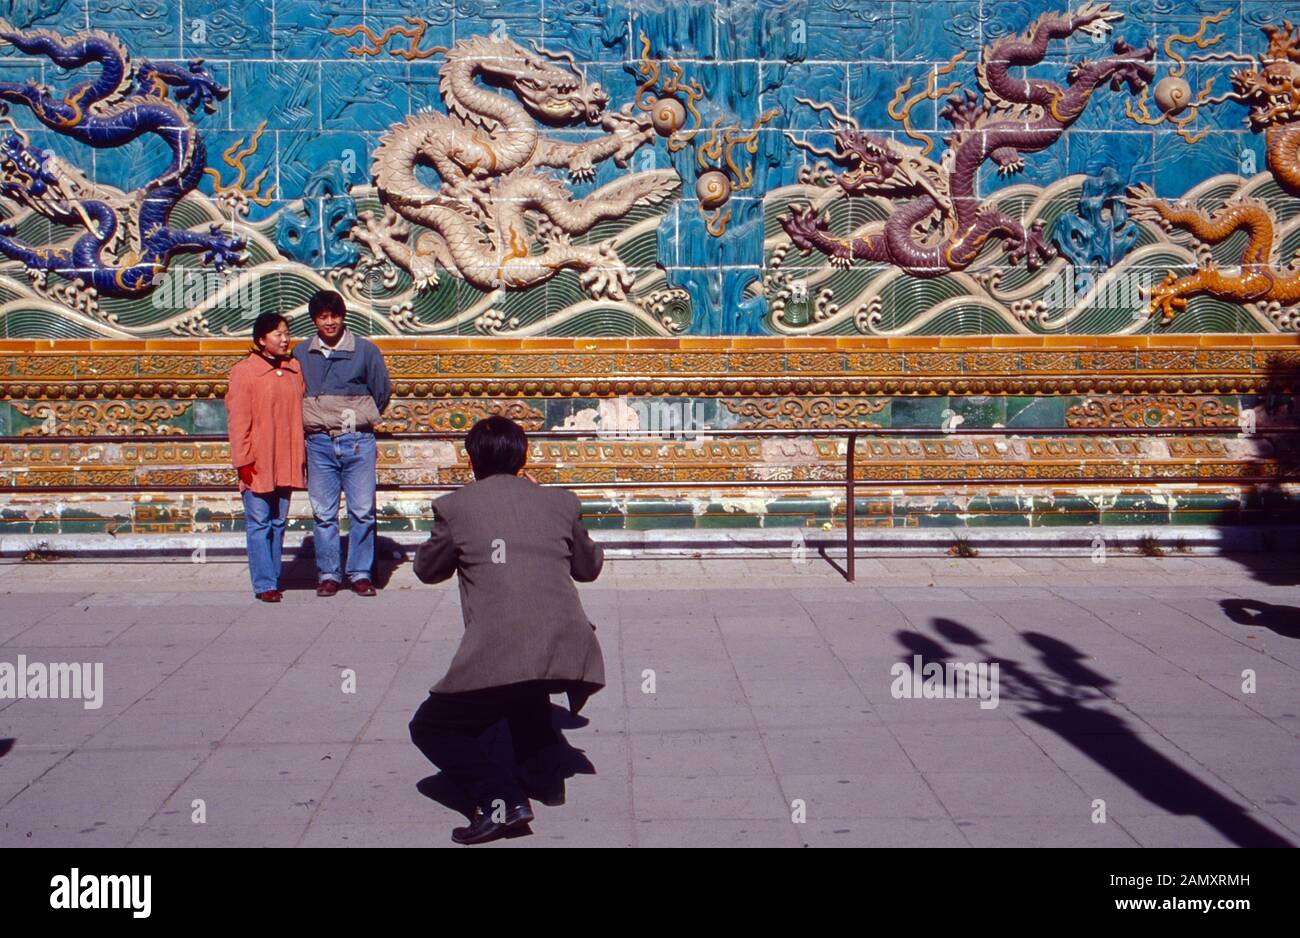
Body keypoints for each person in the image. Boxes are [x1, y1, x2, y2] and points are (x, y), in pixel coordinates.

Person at [409, 416, 605, 845]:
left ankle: (503, 801)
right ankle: (545, 779)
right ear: (524, 456)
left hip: (504, 646)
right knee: (523, 688)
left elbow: (426, 570)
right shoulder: (559, 502)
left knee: (431, 727)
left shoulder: (456, 506)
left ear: (471, 460)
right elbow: (589, 568)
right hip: (568, 644)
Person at [292, 289, 391, 597]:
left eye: (335, 316)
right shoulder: (300, 353)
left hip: (358, 442)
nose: (330, 322)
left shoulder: (365, 351)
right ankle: (329, 574)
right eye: (323, 317)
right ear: (314, 321)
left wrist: (355, 416)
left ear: (343, 317)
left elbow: (382, 391)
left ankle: (360, 573)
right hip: (319, 444)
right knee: (324, 513)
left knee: (362, 511)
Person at [225, 313, 306, 603]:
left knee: (278, 522)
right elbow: (238, 422)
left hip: (284, 459)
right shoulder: (244, 372)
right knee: (259, 522)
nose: (285, 339)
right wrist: (242, 461)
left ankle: (273, 576)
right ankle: (264, 583)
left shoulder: (294, 368)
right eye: (277, 334)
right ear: (261, 340)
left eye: (286, 333)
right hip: (257, 463)